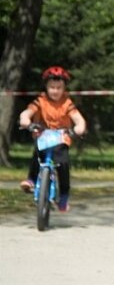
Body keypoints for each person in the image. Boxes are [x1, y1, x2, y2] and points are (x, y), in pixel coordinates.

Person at [18, 66, 87, 212]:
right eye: (52, 87)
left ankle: (63, 195)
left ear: (64, 88)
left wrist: (79, 127)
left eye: (59, 87)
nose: (55, 91)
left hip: (62, 138)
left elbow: (79, 120)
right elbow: (27, 112)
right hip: (43, 136)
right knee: (37, 154)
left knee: (63, 163)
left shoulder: (67, 104)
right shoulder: (40, 101)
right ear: (46, 87)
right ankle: (31, 179)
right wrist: (25, 120)